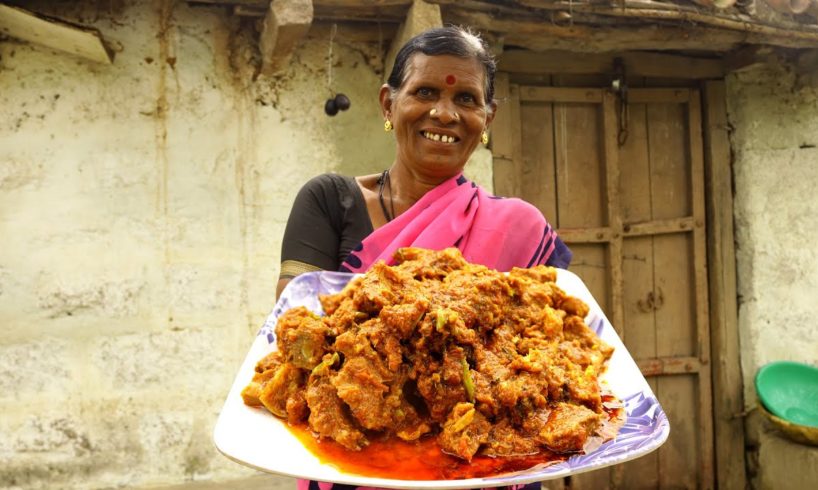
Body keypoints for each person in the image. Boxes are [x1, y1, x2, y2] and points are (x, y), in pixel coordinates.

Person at [277, 26, 572, 490]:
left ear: (488, 118)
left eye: (467, 100)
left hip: (488, 465)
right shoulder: (330, 201)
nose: (444, 112)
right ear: (388, 104)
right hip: (355, 462)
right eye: (425, 92)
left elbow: (557, 350)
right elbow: (295, 336)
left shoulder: (520, 227)